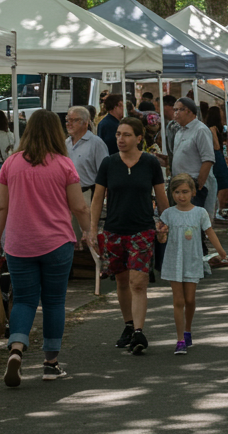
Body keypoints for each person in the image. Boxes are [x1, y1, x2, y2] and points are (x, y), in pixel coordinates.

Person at [0, 109, 96, 386]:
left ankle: (16, 349)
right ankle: (50, 362)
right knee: (53, 301)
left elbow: (1, 206)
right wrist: (89, 231)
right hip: (56, 242)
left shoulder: (11, 164)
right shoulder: (64, 164)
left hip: (18, 243)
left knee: (24, 299)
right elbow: (79, 206)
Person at [91, 116, 167, 355]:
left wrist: (166, 222)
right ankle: (128, 325)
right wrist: (92, 228)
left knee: (138, 281)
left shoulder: (150, 163)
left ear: (139, 138)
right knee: (122, 281)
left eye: (125, 135)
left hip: (142, 230)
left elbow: (161, 196)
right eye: (118, 135)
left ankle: (139, 332)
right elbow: (97, 198)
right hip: (114, 229)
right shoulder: (108, 163)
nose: (120, 139)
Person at [157, 174, 228, 355]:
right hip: (174, 261)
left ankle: (187, 329)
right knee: (178, 301)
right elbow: (161, 239)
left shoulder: (200, 213)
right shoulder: (168, 214)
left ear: (193, 192)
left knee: (189, 299)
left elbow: (210, 232)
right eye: (177, 192)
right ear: (171, 193)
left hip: (192, 260)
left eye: (185, 192)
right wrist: (160, 234)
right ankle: (180, 339)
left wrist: (221, 251)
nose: (181, 196)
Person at [169, 98, 215, 216]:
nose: (176, 113)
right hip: (179, 185)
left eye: (179, 110)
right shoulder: (179, 132)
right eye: (175, 110)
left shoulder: (200, 130)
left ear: (189, 111)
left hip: (193, 185)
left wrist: (198, 185)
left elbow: (208, 159)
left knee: (194, 222)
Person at [202, 106, 228, 220]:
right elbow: (216, 145)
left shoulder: (214, 128)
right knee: (223, 180)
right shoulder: (212, 128)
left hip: (217, 155)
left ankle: (219, 208)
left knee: (223, 180)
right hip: (216, 155)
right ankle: (219, 209)